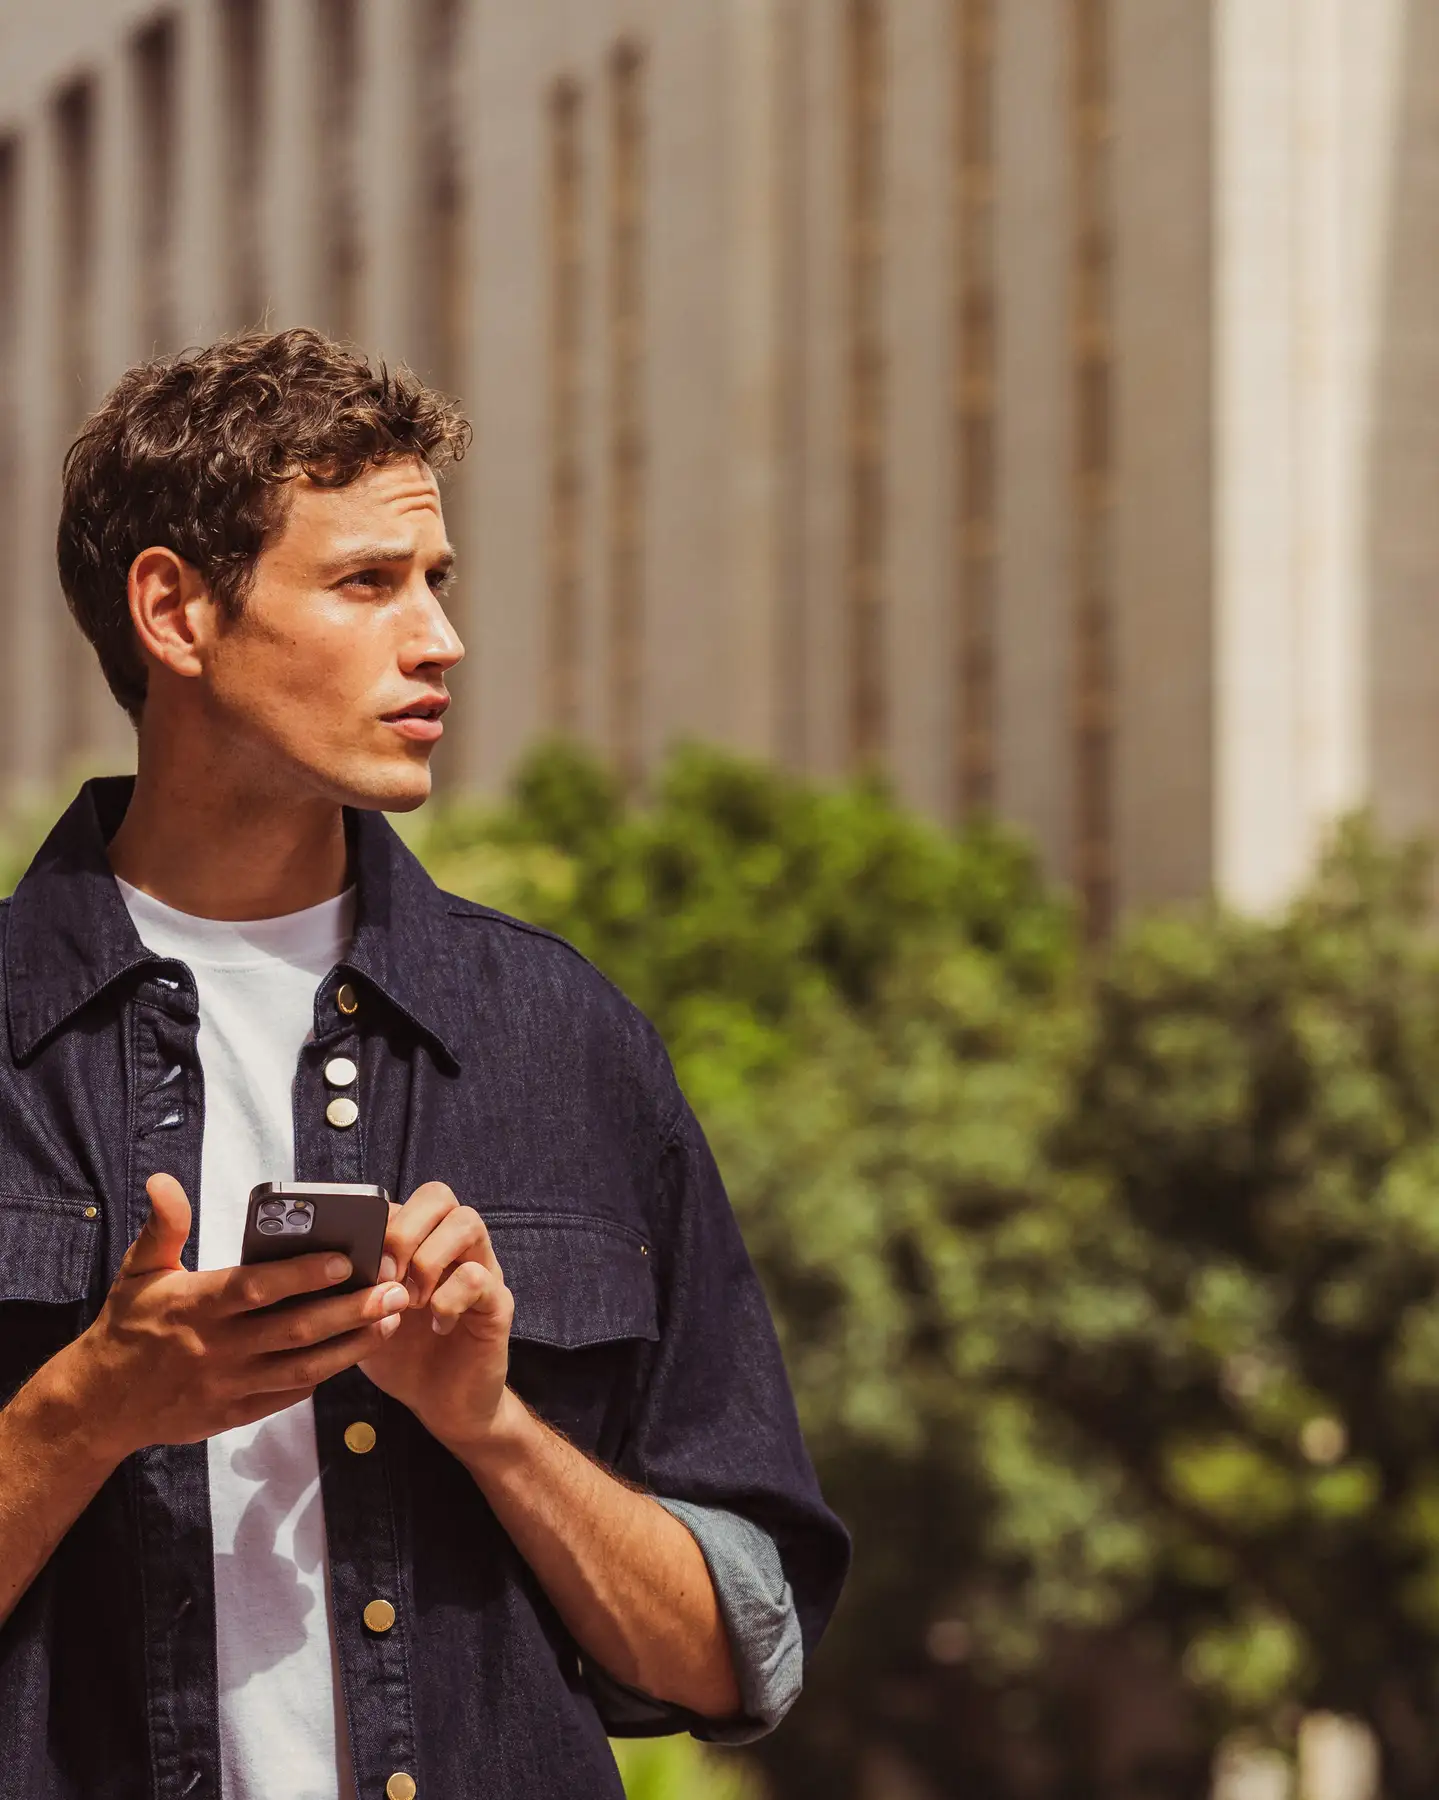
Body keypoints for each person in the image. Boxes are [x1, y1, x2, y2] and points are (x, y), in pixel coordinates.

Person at [0, 329, 848, 1799]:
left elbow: (738, 1657)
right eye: (366, 583)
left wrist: (488, 1422)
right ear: (175, 611)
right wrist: (91, 1408)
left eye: (435, 582)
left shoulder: (563, 1038)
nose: (438, 638)